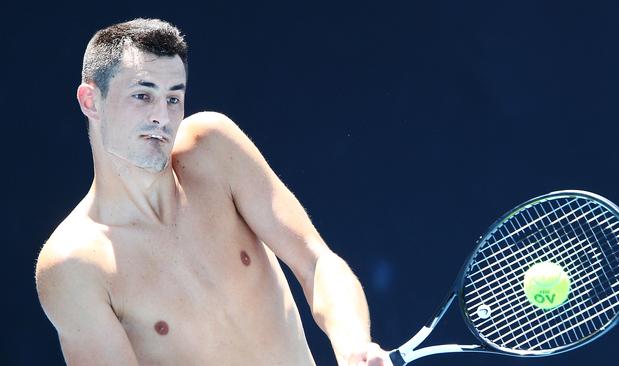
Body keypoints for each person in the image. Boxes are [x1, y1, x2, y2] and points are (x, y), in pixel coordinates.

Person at [35, 18, 389, 366]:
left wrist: (354, 346)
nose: (162, 116)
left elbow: (316, 262)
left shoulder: (214, 147)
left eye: (174, 99)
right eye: (143, 95)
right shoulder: (71, 266)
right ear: (91, 101)